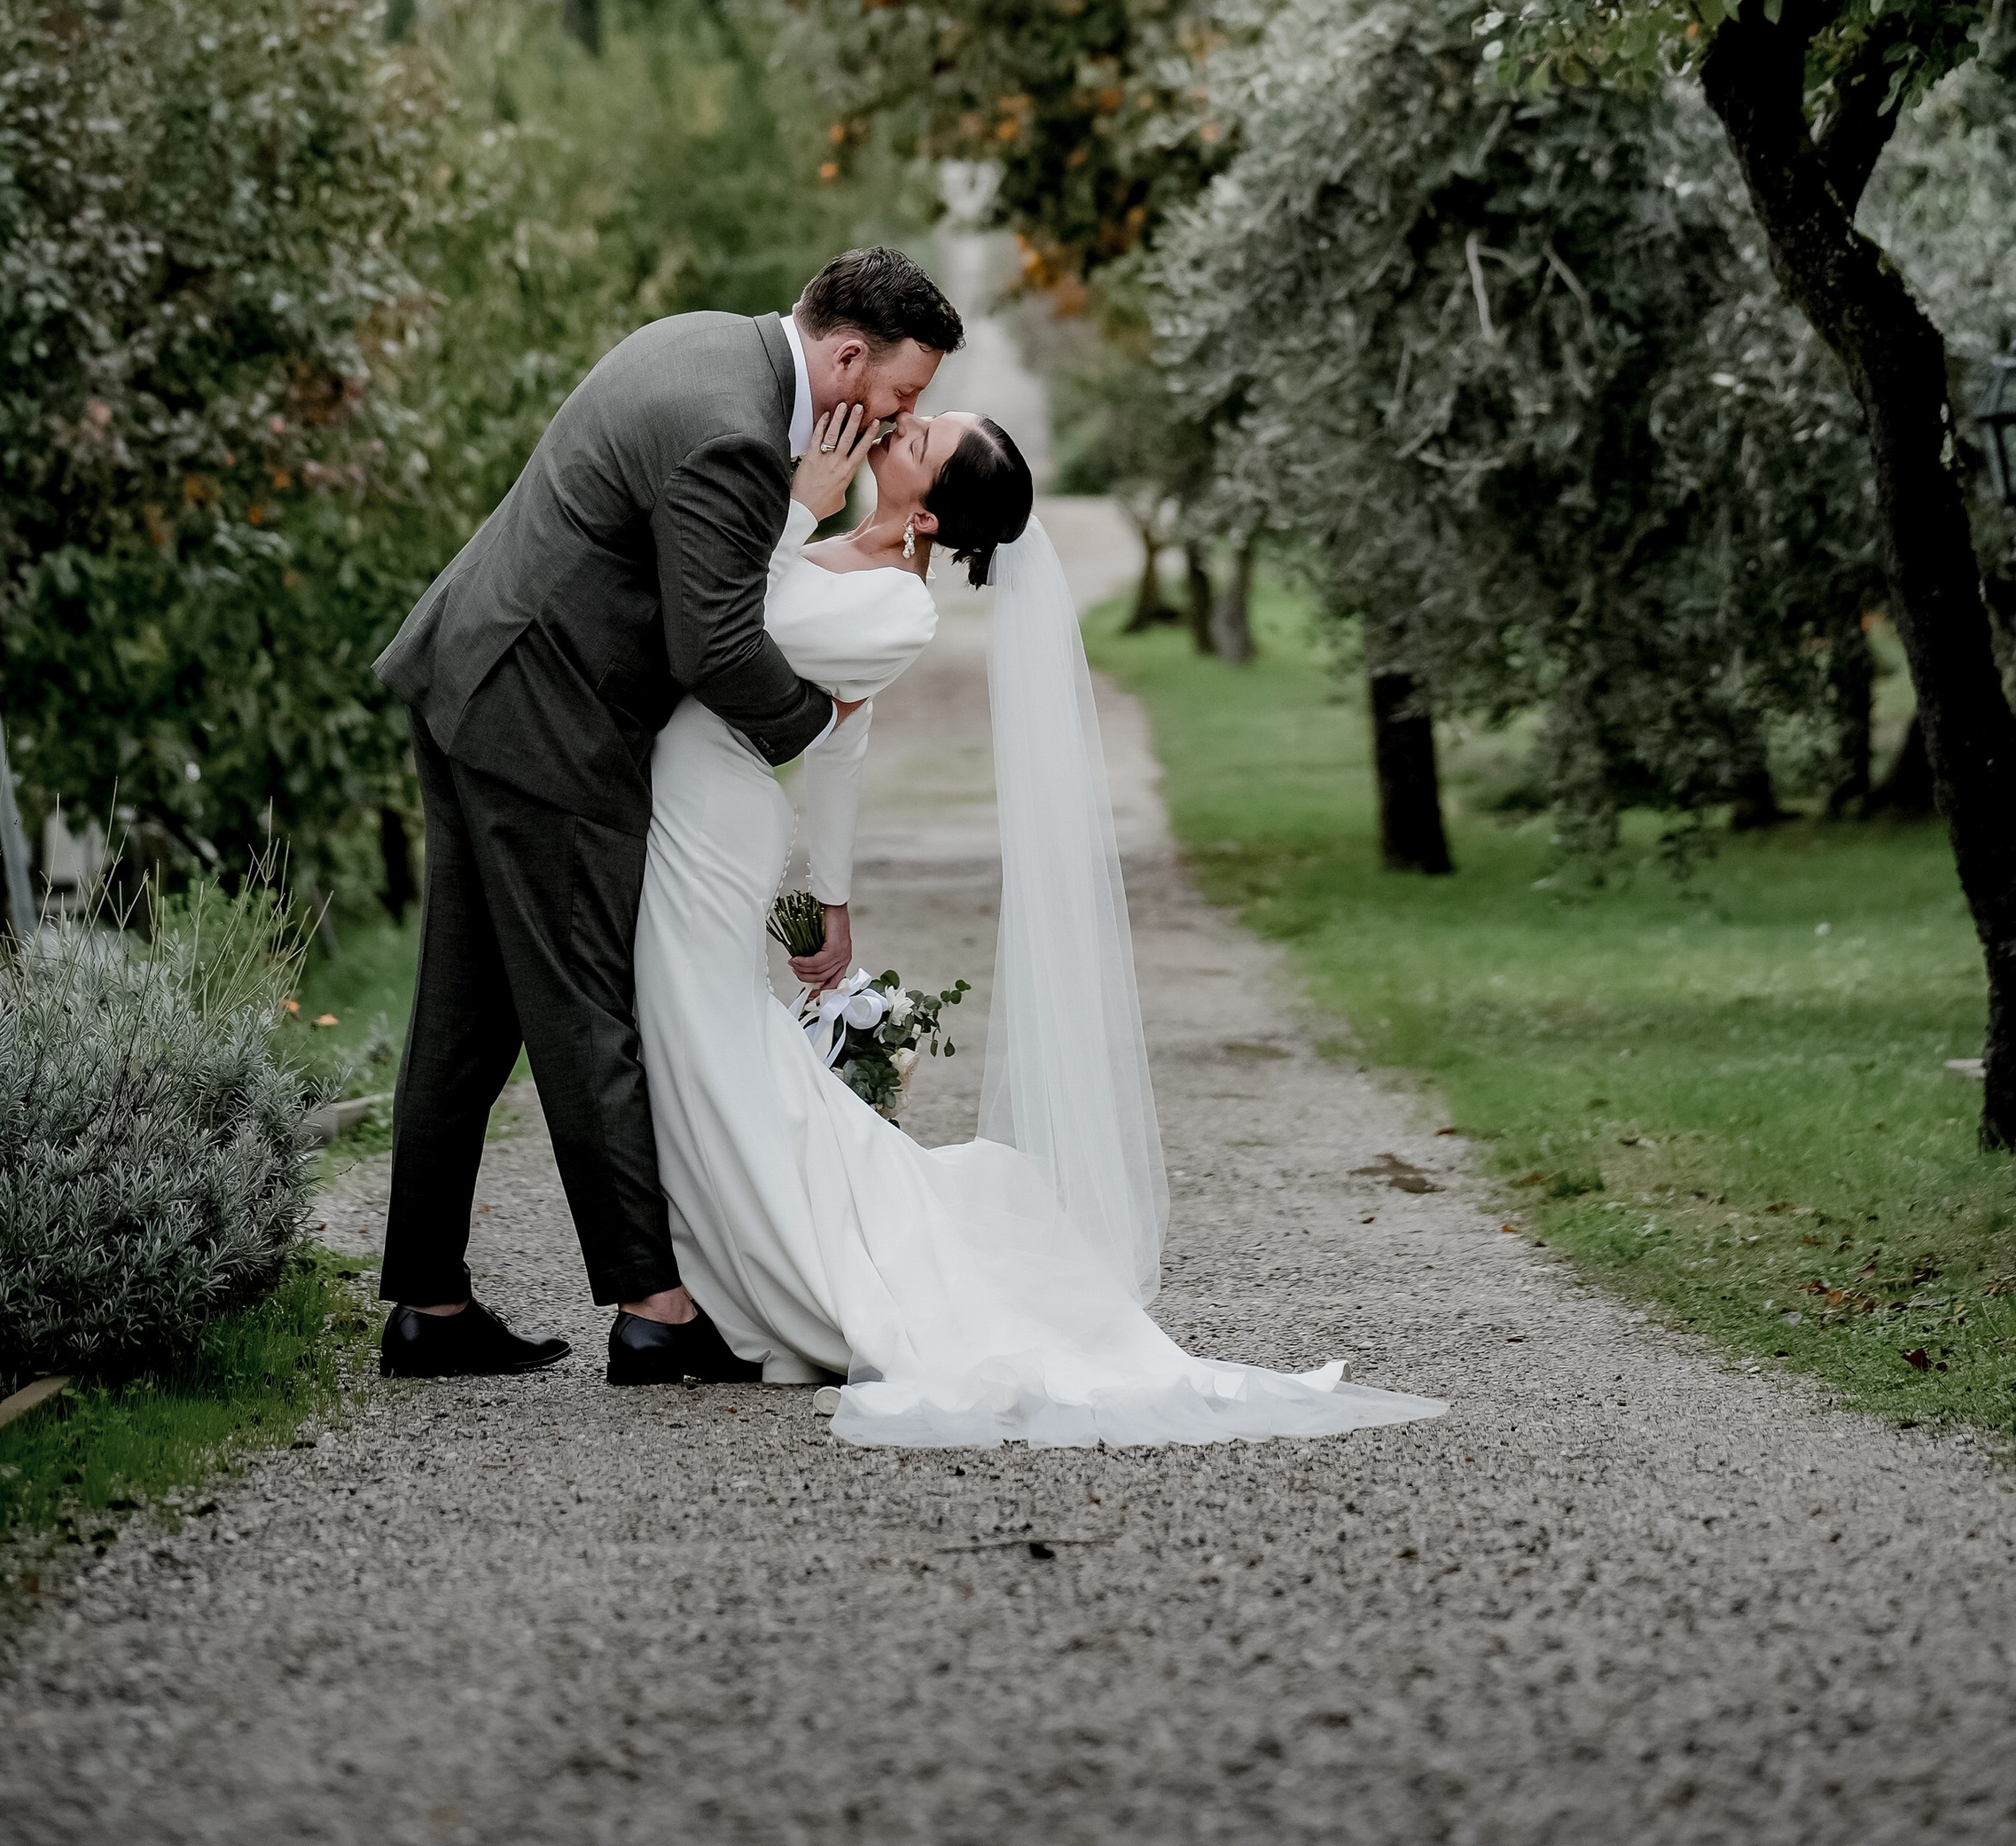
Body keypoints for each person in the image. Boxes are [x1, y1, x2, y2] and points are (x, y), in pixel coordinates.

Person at [635, 401, 1448, 1447]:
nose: (904, 424)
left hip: (716, 813)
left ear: (927, 518)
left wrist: (792, 509)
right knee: (705, 1049)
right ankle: (707, 1277)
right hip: (709, 807)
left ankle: (719, 1288)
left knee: (708, 1047)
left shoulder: (894, 605)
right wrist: (825, 904)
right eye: (922, 417)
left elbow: (733, 625)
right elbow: (828, 751)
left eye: (921, 441)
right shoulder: (848, 547)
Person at [371, 246, 963, 1385]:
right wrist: (817, 717)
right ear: (847, 356)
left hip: (475, 677)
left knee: (468, 1009)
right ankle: (655, 1311)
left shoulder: (707, 340)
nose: (901, 412)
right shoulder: (737, 436)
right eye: (902, 391)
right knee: (589, 1005)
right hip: (543, 719)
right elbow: (717, 644)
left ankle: (430, 1307)